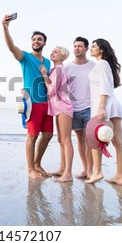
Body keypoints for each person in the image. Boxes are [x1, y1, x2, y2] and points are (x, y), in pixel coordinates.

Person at [2, 14, 53, 179]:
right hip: (32, 103)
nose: (36, 41)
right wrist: (5, 27)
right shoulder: (25, 57)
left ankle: (37, 163)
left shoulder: (47, 62)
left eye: (39, 39)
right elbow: (11, 47)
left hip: (47, 103)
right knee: (32, 136)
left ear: (44, 43)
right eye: (34, 39)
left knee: (48, 135)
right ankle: (31, 169)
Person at [85, 38, 122, 185]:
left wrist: (101, 107)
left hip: (104, 105)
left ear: (101, 49)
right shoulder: (105, 64)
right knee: (118, 142)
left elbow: (104, 87)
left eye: (94, 46)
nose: (91, 48)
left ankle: (97, 172)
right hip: (111, 104)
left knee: (94, 139)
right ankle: (119, 176)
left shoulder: (101, 64)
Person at [39, 46, 74, 182]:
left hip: (63, 107)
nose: (52, 53)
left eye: (56, 52)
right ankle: (62, 169)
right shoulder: (54, 70)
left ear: (63, 57)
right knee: (61, 140)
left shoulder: (59, 69)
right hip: (58, 107)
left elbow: (52, 90)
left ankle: (68, 173)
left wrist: (43, 75)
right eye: (52, 51)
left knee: (66, 141)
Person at [65, 37, 95, 179]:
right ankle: (85, 169)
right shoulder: (67, 67)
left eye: (80, 46)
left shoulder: (93, 66)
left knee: (89, 140)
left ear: (86, 49)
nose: (77, 48)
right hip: (73, 109)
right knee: (81, 140)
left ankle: (90, 170)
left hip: (90, 107)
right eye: (75, 46)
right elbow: (60, 87)